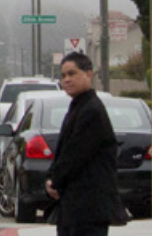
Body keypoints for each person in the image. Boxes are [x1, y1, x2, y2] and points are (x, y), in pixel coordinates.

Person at [44, 51, 123, 235]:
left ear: (89, 74)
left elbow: (75, 154)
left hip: (89, 209)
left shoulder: (92, 110)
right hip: (74, 207)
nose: (67, 80)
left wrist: (55, 181)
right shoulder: (78, 106)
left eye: (72, 74)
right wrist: (50, 179)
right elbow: (63, 152)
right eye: (63, 75)